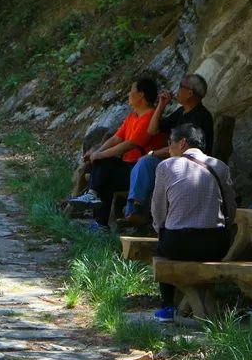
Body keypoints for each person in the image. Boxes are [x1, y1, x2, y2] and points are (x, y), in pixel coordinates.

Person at [150, 124, 236, 322]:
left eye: (170, 143)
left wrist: (160, 229)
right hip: (216, 245)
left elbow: (158, 208)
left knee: (163, 246)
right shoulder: (220, 166)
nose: (169, 148)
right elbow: (230, 208)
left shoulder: (167, 166)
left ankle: (167, 307)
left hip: (178, 244)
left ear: (182, 143)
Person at [69, 78, 167, 229]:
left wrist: (101, 155)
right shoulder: (132, 116)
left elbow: (130, 144)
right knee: (103, 167)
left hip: (138, 171)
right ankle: (97, 215)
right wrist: (97, 152)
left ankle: (95, 206)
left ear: (141, 95)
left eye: (131, 90)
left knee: (104, 166)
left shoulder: (150, 117)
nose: (128, 94)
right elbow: (117, 138)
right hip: (126, 166)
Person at [124, 73, 214, 220]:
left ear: (189, 93)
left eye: (181, 87)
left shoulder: (200, 117)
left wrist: (153, 154)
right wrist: (161, 105)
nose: (177, 91)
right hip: (174, 161)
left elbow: (183, 149)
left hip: (190, 165)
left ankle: (135, 211)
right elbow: (152, 130)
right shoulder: (181, 112)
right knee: (144, 163)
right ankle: (135, 211)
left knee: (146, 162)